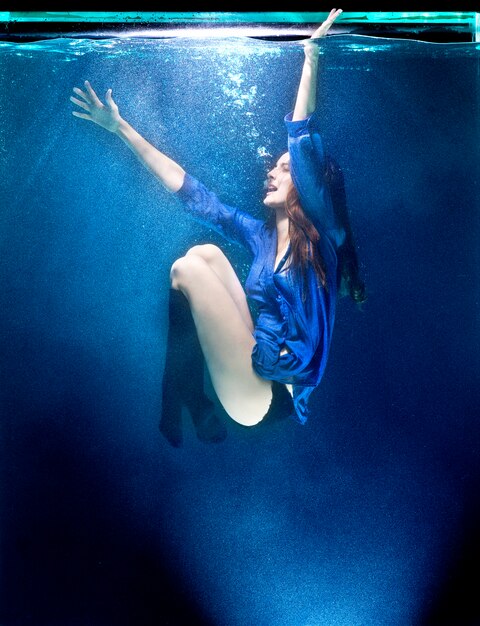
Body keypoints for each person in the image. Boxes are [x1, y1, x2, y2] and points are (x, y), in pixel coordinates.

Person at [70, 8, 365, 440]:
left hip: (265, 395)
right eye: (277, 167)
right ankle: (188, 395)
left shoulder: (322, 237)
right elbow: (194, 195)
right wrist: (119, 128)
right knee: (203, 254)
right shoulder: (263, 238)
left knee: (185, 271)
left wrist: (311, 55)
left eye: (286, 170)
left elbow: (301, 132)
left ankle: (182, 396)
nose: (274, 172)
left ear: (307, 185)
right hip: (257, 363)